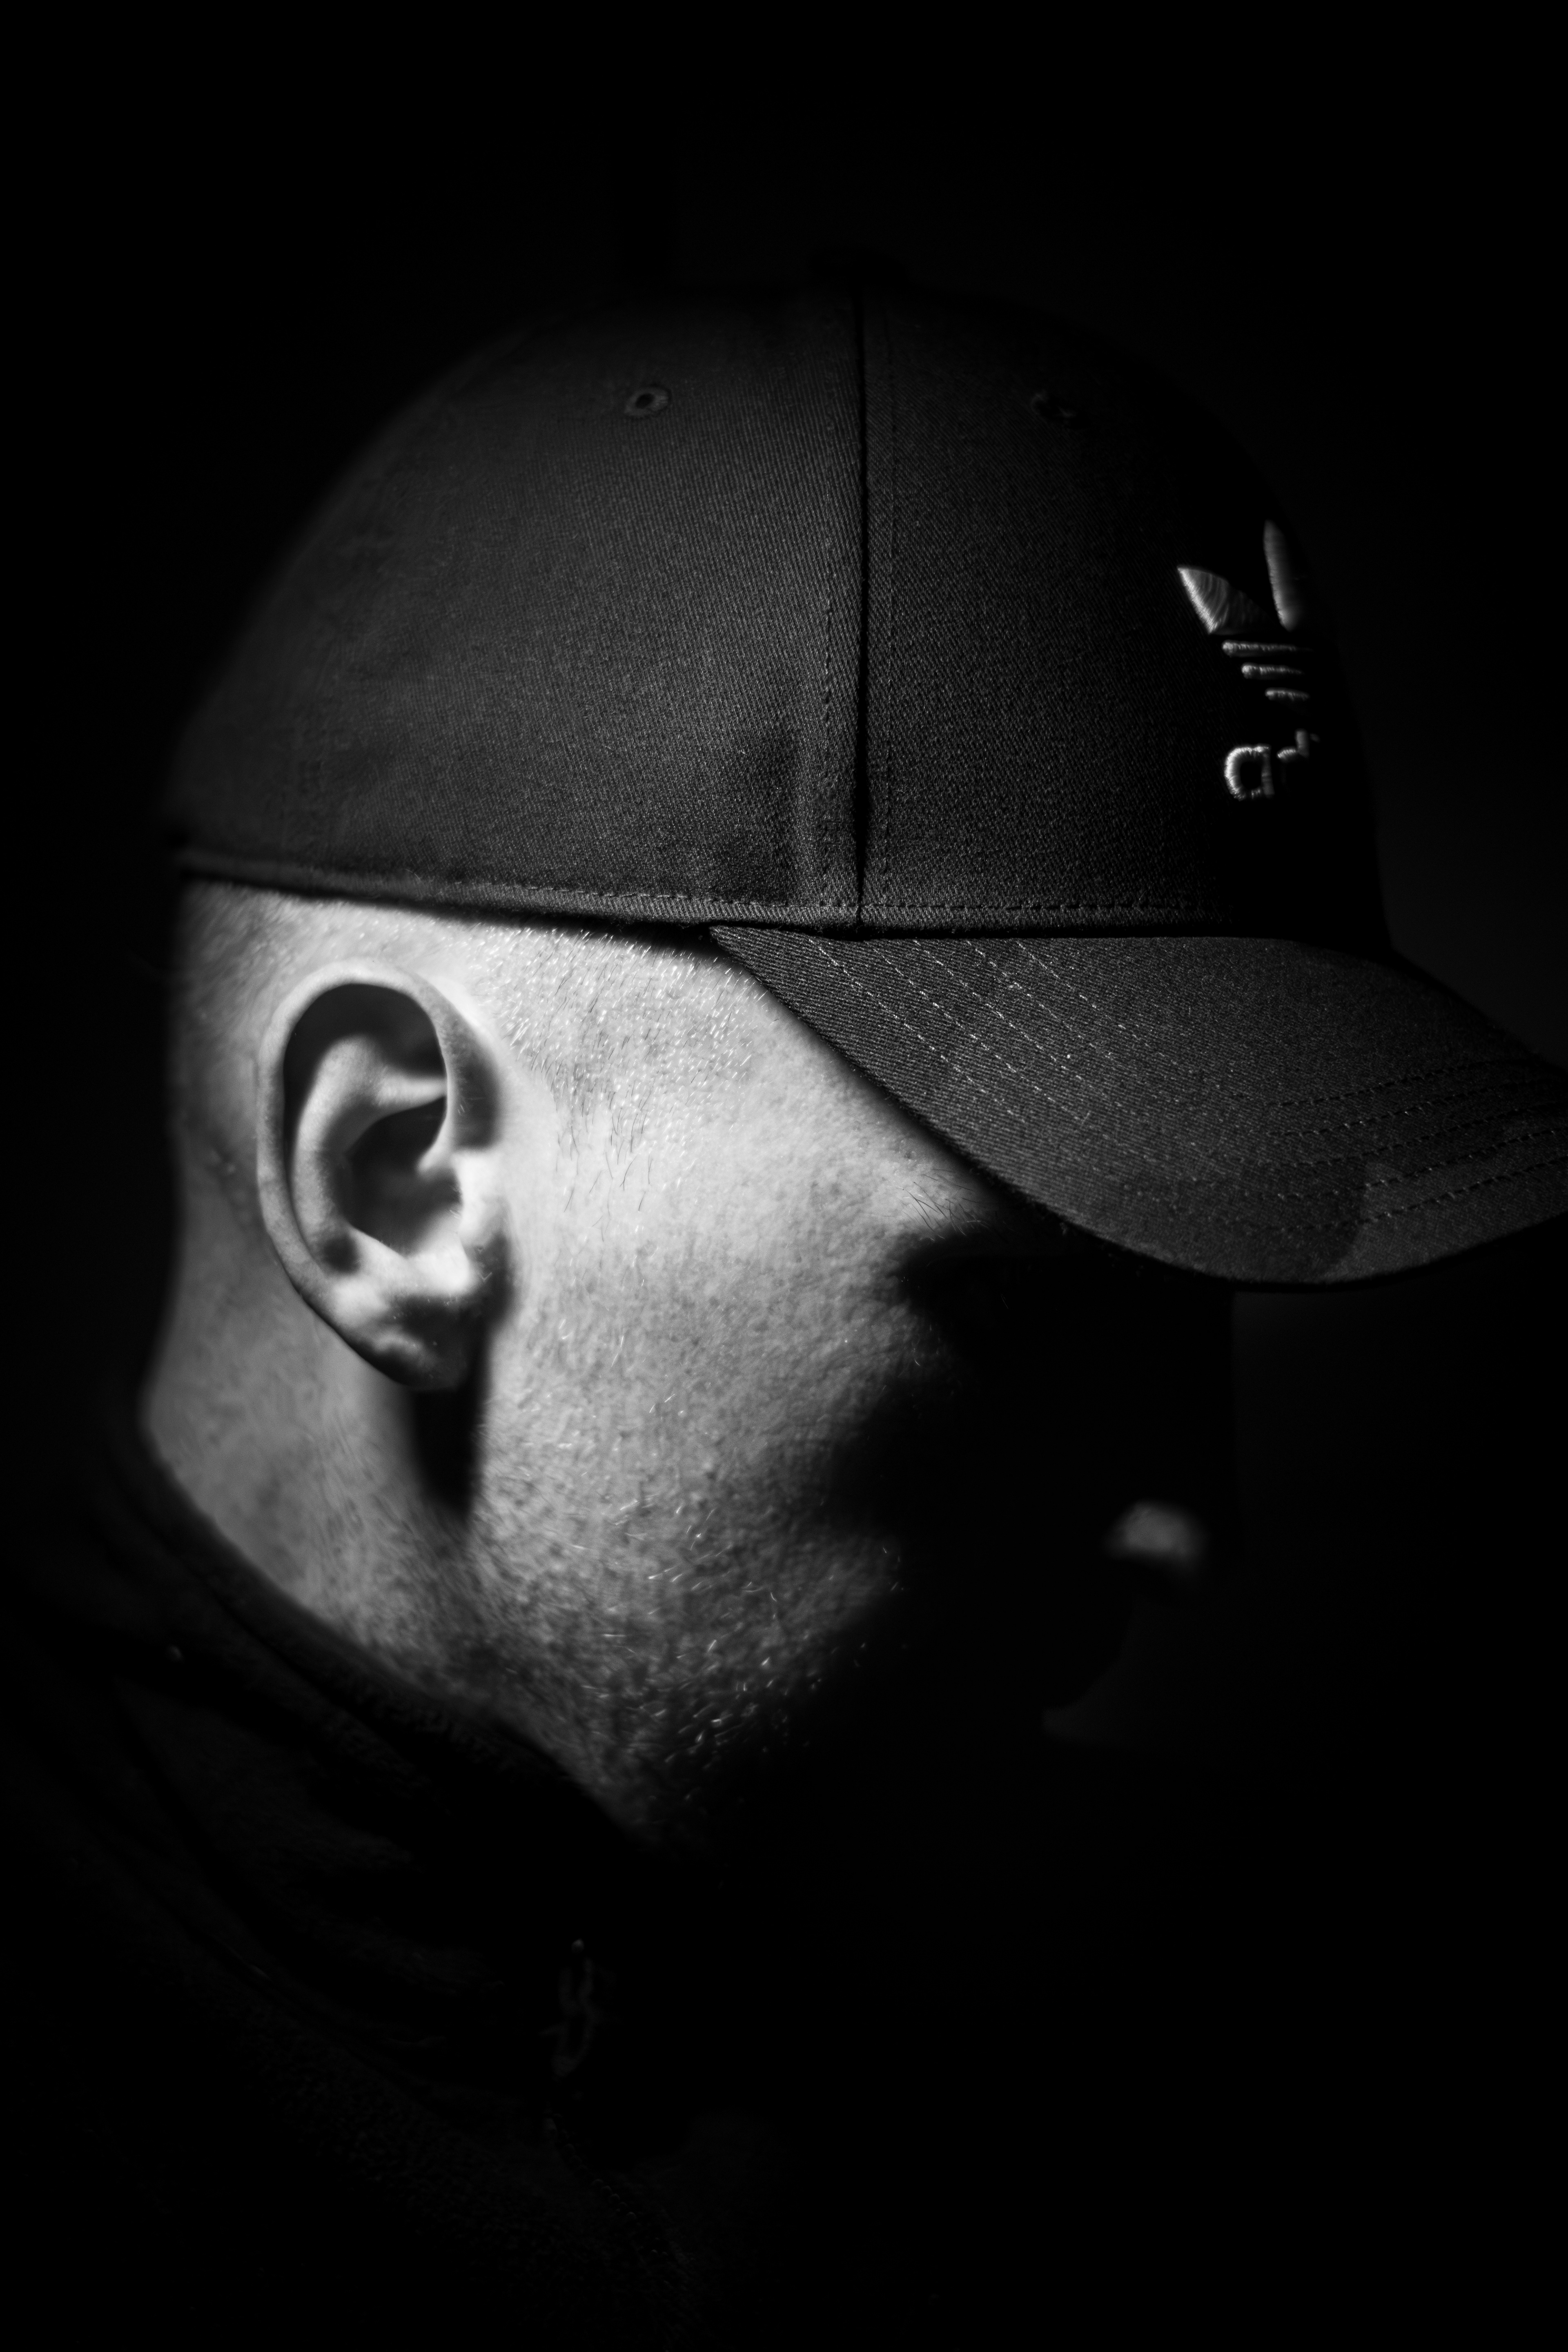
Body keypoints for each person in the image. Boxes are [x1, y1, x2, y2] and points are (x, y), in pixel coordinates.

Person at [5, 270, 1564, 2343]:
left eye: (1191, 1290)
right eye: (1015, 1310)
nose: (1189, 1517)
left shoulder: (1238, 2051)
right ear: (397, 1183)